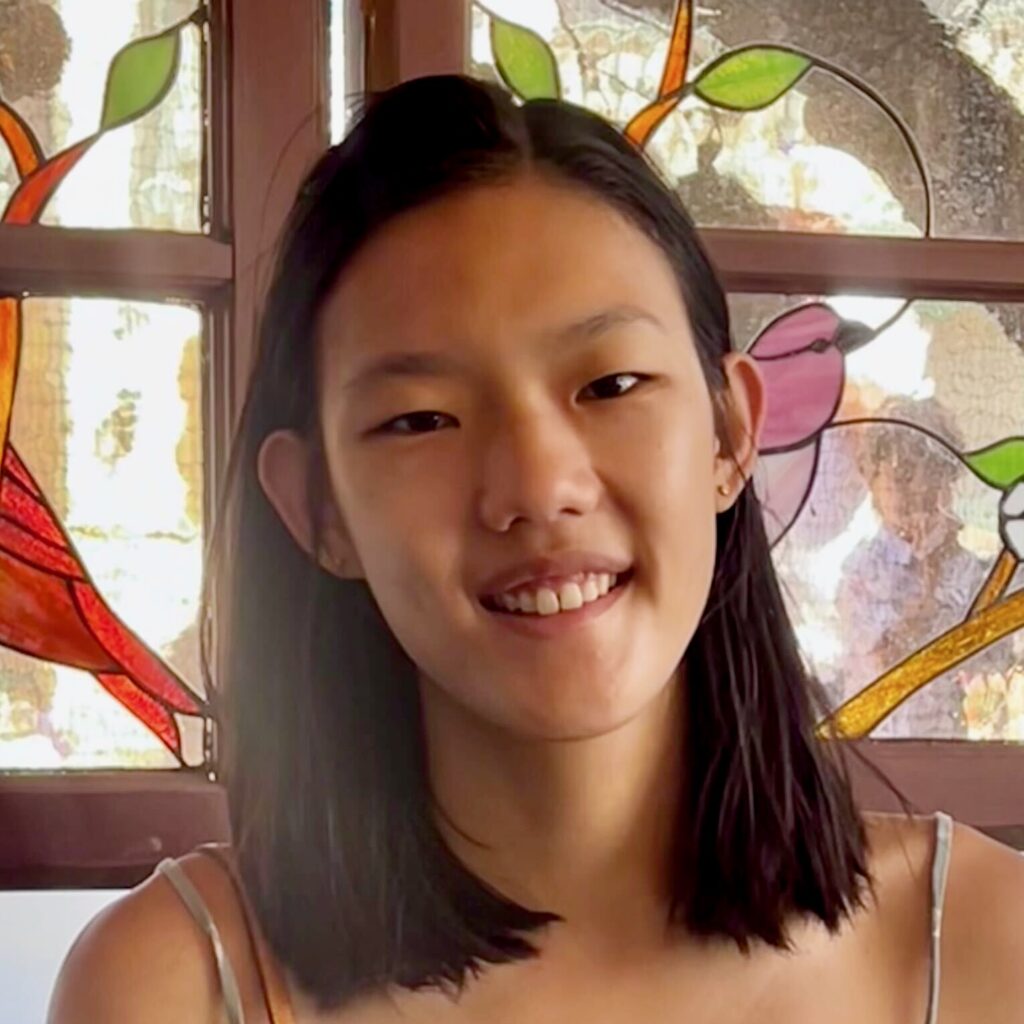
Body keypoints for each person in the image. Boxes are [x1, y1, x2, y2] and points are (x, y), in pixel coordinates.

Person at [48, 76, 1023, 1024]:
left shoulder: (988, 942)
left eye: (610, 385)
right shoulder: (172, 987)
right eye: (420, 418)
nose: (537, 486)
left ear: (729, 434)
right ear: (318, 510)